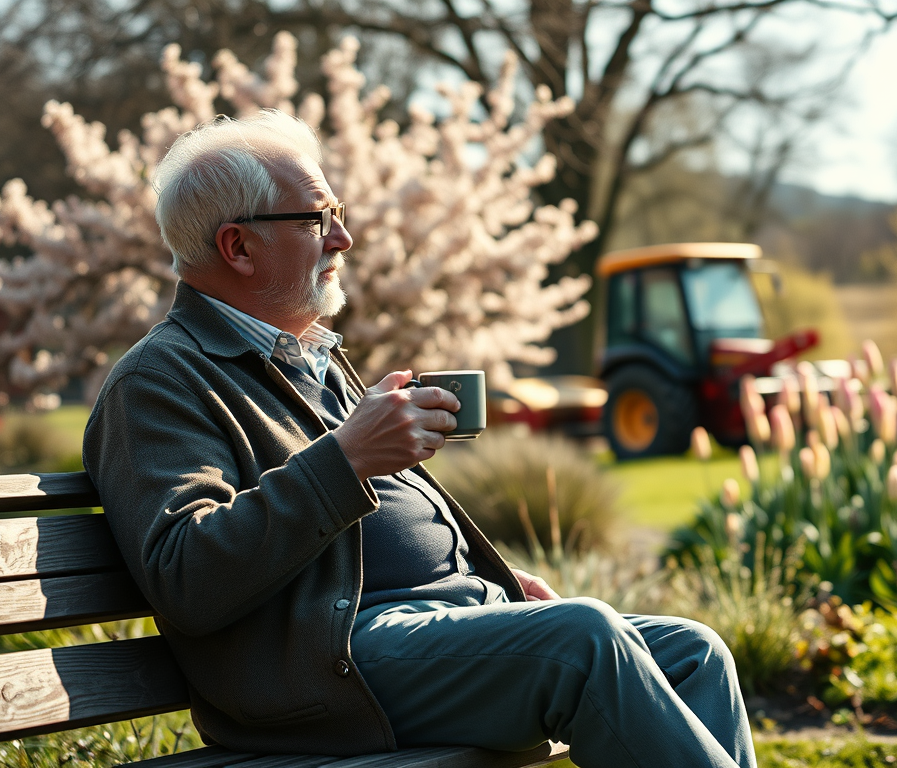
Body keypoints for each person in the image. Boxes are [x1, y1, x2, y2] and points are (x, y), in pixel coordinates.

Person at [83, 110, 757, 768]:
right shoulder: (159, 381)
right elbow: (184, 576)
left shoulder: (306, 358)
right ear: (238, 246)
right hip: (335, 668)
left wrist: (491, 585)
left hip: (422, 634)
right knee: (581, 641)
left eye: (339, 214)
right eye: (317, 219)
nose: (343, 239)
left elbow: (378, 535)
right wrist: (347, 458)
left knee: (693, 652)